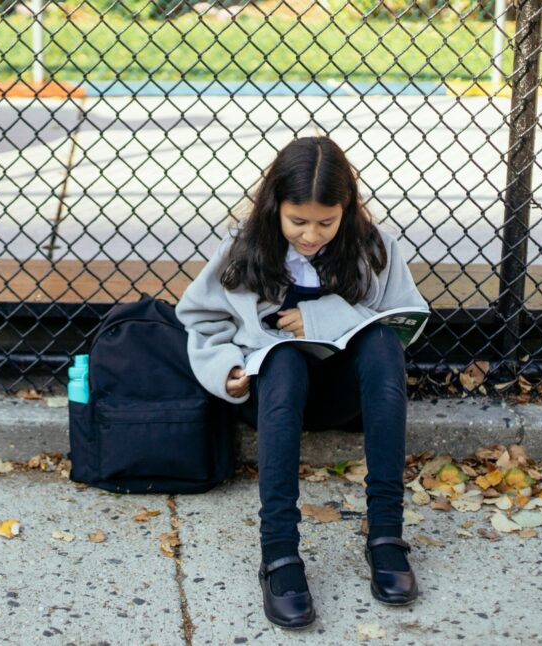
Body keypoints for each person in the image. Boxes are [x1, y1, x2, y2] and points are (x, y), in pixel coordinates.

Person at [175, 135, 428, 629]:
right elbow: (200, 321)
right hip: (268, 394)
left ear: (347, 210)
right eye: (298, 221)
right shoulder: (243, 249)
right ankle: (279, 554)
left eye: (325, 222)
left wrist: (324, 316)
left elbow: (401, 318)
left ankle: (386, 535)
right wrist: (224, 368)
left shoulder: (375, 248)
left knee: (381, 347)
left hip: (340, 397)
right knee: (285, 360)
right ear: (275, 207)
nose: (311, 235)